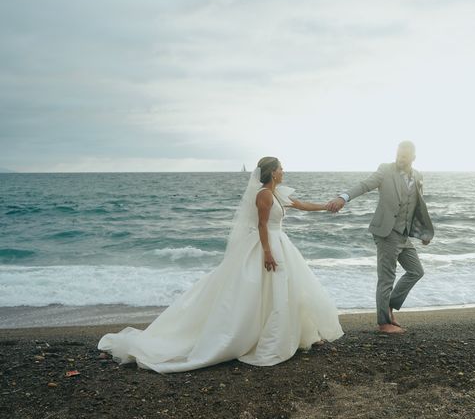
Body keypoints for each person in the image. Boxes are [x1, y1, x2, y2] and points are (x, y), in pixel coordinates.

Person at [97, 157, 344, 373]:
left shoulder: (277, 193)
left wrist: (326, 206)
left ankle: (286, 334)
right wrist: (267, 253)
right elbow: (261, 226)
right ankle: (262, 339)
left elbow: (301, 205)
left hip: (280, 242)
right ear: (271, 172)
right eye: (281, 168)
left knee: (283, 290)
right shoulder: (264, 195)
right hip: (267, 245)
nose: (284, 171)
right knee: (269, 290)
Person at [327, 141, 434, 334]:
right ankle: (384, 323)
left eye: (405, 156)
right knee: (386, 278)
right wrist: (343, 197)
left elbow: (418, 206)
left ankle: (389, 306)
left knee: (416, 271)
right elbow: (364, 185)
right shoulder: (385, 170)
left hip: (403, 234)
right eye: (399, 154)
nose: (400, 158)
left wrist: (424, 232)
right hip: (386, 232)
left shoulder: (418, 175)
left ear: (413, 158)